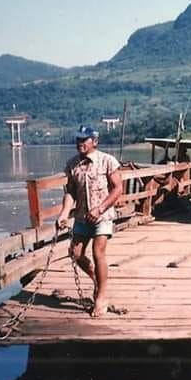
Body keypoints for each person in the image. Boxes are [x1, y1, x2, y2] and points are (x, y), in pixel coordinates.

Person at [56, 126, 123, 317]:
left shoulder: (107, 161)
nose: (80, 143)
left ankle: (101, 297)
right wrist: (63, 213)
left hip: (103, 216)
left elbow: (118, 189)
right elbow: (70, 192)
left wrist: (100, 208)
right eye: (78, 140)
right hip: (81, 217)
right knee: (76, 254)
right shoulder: (72, 164)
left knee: (97, 252)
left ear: (95, 141)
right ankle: (96, 278)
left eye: (85, 140)